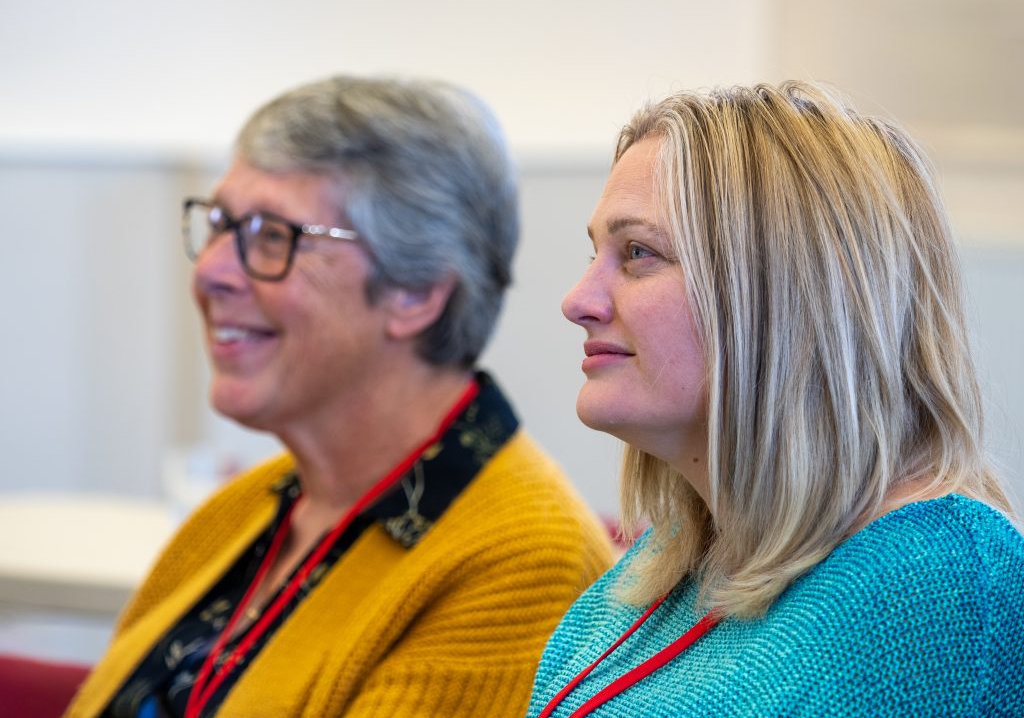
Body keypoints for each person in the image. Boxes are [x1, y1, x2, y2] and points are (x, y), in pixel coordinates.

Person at [67, 75, 613, 718]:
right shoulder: (240, 512)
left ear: (415, 292)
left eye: (271, 235)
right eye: (218, 225)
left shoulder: (523, 569)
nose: (211, 270)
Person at [528, 81, 1024, 717]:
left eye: (638, 254)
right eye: (595, 252)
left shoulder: (939, 588)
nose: (578, 300)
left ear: (788, 294)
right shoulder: (670, 562)